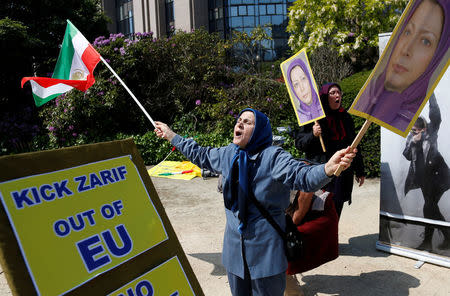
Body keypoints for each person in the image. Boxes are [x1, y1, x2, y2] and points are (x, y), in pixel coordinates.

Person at [154, 108, 357, 296]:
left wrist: (328, 168)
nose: (240, 124)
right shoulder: (228, 154)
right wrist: (171, 135)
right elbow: (201, 154)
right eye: (239, 120)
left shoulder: (273, 157)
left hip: (266, 254)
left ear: (259, 130)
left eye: (247, 122)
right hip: (235, 254)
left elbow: (302, 175)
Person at [352, 0, 449, 132]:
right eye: (407, 32)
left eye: (425, 41)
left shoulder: (418, 120)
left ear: (437, 56)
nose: (406, 50)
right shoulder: (373, 96)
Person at [294, 83, 365, 218]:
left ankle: (332, 238)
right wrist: (313, 135)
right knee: (319, 214)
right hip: (321, 174)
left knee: (336, 211)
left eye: (339, 92)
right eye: (333, 93)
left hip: (341, 174)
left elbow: (354, 145)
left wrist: (360, 171)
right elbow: (299, 143)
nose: (337, 95)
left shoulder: (346, 117)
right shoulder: (313, 118)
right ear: (325, 97)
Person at [403, 94, 450, 251]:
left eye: (416, 130)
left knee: (429, 206)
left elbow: (435, 114)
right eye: (412, 130)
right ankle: (443, 238)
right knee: (430, 207)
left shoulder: (431, 130)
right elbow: (407, 155)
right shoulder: (411, 137)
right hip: (424, 179)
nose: (413, 133)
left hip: (440, 177)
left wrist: (430, 94)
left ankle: (429, 242)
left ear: (424, 129)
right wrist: (413, 144)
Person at [286, 58, 324, 123]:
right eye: (296, 84)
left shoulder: (324, 105)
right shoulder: (299, 116)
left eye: (303, 79)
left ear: (309, 78)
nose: (302, 88)